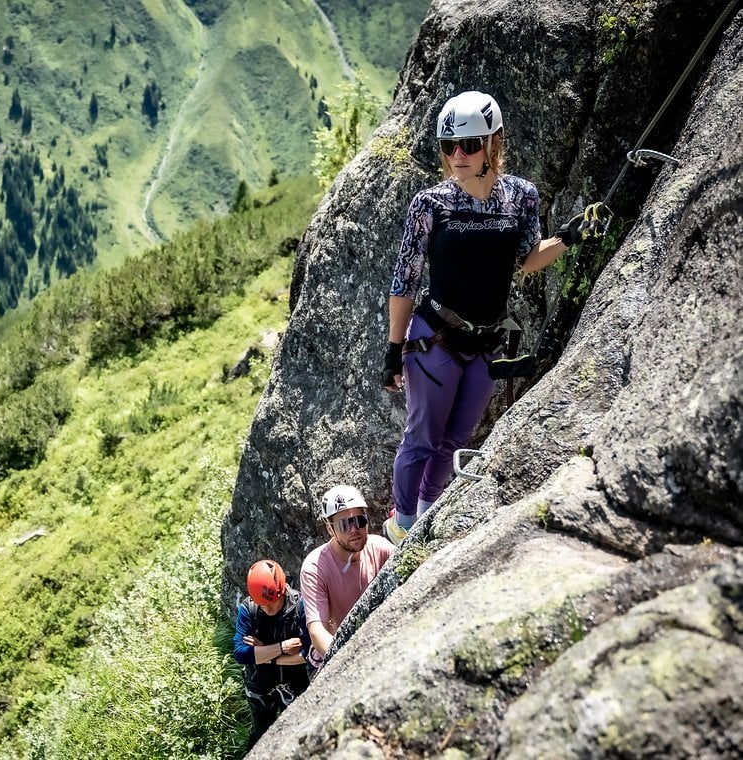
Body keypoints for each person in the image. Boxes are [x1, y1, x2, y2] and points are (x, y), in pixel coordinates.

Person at [381, 90, 598, 545]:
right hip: (434, 336)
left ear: (493, 143)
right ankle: (403, 527)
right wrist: (393, 349)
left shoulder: (520, 196)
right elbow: (404, 279)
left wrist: (568, 237)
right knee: (422, 436)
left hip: (488, 340)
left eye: (470, 144)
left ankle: (426, 517)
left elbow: (526, 258)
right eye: (448, 146)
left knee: (457, 438)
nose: (458, 156)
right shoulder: (429, 205)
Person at [300, 485, 395, 668]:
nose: (353, 530)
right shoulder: (315, 567)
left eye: (359, 521)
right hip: (338, 650)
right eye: (344, 524)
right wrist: (349, 665)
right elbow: (317, 630)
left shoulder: (380, 548)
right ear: (330, 529)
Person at [233, 559, 311, 749]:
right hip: (260, 687)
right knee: (260, 737)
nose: (267, 609)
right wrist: (282, 647)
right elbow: (241, 653)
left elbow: (307, 653)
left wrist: (264, 655)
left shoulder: (299, 605)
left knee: (299, 734)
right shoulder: (249, 609)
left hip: (294, 684)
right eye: (262, 604)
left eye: (272, 603)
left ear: (282, 590)